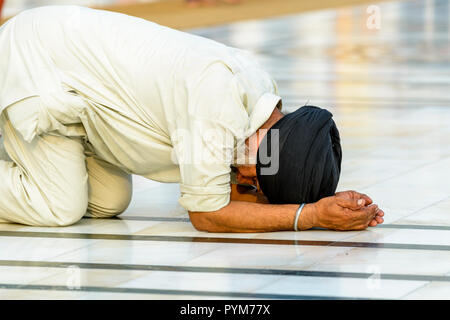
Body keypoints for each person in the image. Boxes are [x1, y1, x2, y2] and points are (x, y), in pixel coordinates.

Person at [0, 6, 384, 232]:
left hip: (79, 92)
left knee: (108, 201)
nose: (246, 182)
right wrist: (311, 216)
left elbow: (234, 190)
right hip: (39, 63)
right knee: (59, 206)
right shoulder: (218, 102)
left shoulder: (263, 106)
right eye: (257, 180)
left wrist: (320, 196)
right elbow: (208, 215)